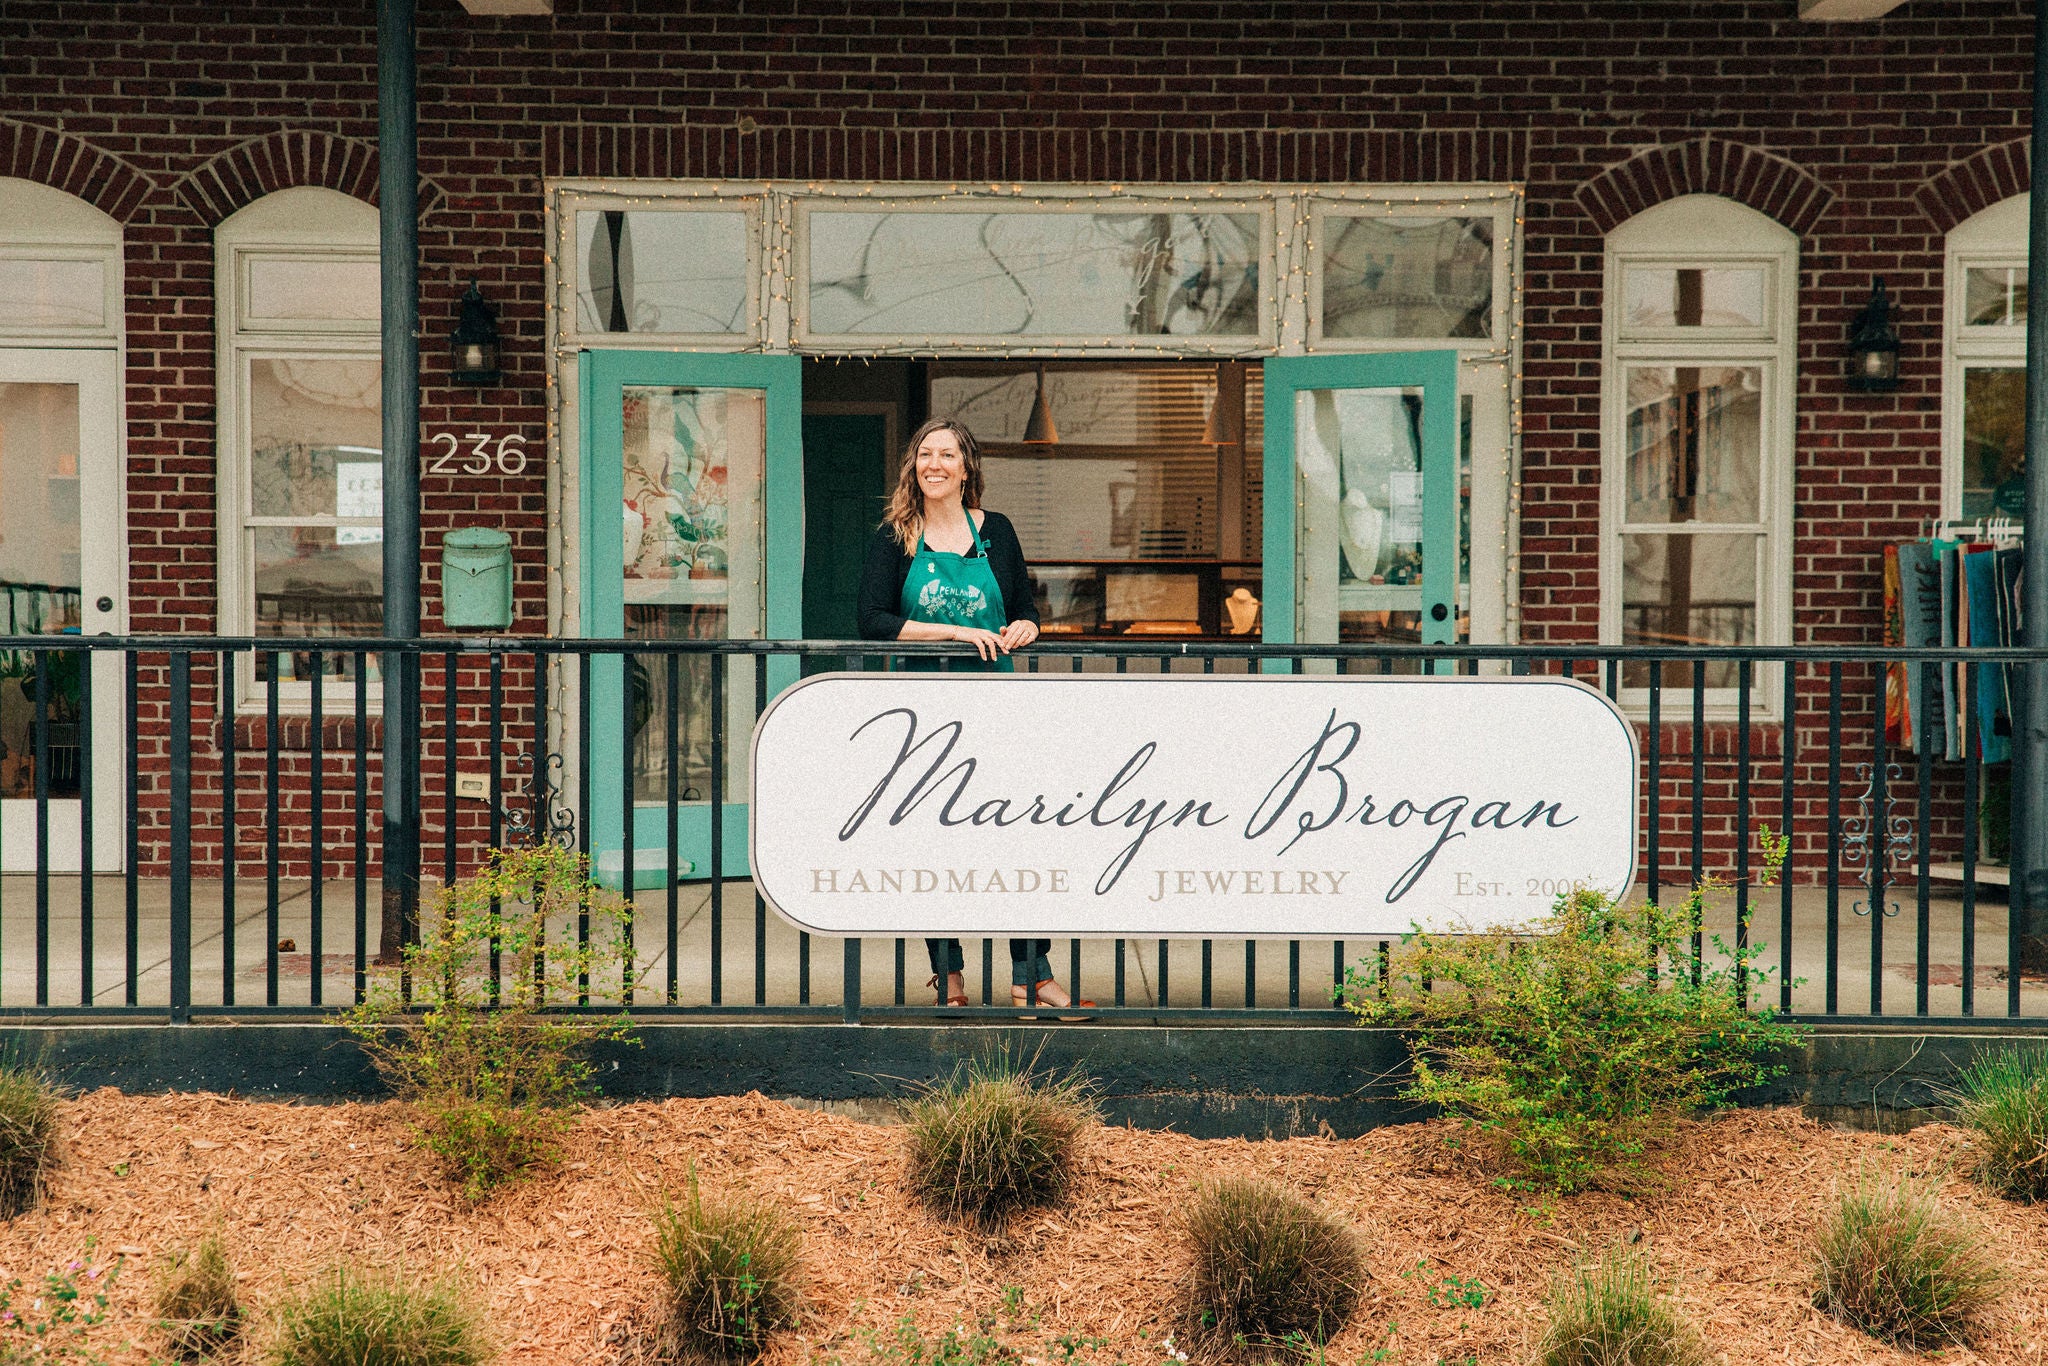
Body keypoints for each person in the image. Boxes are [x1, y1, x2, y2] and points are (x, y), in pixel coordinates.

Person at [856, 416, 1093, 1015]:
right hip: (924, 719)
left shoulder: (999, 531)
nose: (934, 464)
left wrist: (1026, 625)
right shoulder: (896, 536)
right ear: (914, 466)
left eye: (947, 455)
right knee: (935, 846)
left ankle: (1031, 976)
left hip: (996, 709)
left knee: (1016, 840)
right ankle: (949, 975)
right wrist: (958, 632)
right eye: (924, 454)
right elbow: (873, 620)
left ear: (967, 468)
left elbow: (1023, 610)